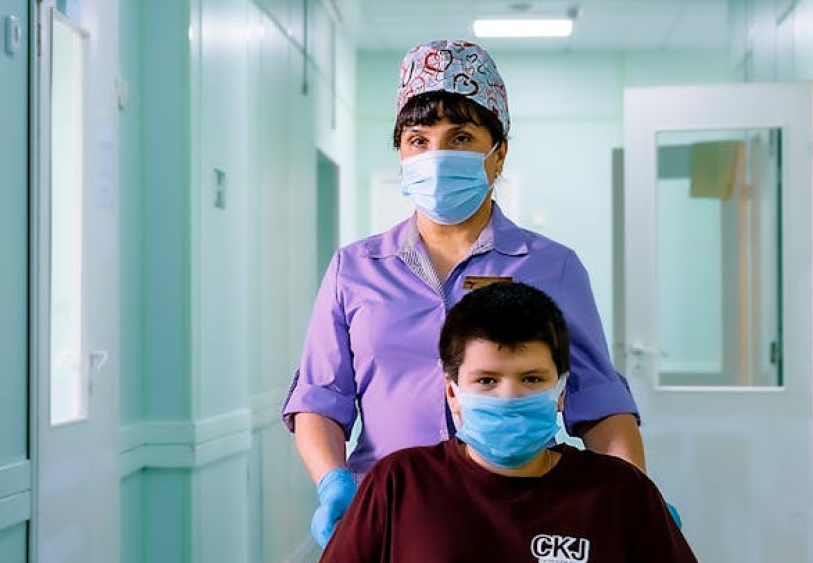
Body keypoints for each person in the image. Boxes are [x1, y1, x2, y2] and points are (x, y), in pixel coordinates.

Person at [282, 40, 645, 547]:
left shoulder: (551, 267)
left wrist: (638, 497)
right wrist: (334, 484)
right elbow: (320, 398)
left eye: (460, 137)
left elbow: (599, 400)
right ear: (402, 154)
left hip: (520, 518)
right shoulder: (356, 270)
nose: (436, 155)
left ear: (498, 155)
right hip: (388, 514)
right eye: (418, 139)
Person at [319, 282, 696, 563]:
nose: (509, 397)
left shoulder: (618, 492)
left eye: (532, 379)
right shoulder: (399, 484)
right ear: (453, 393)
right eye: (486, 380)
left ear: (562, 391)